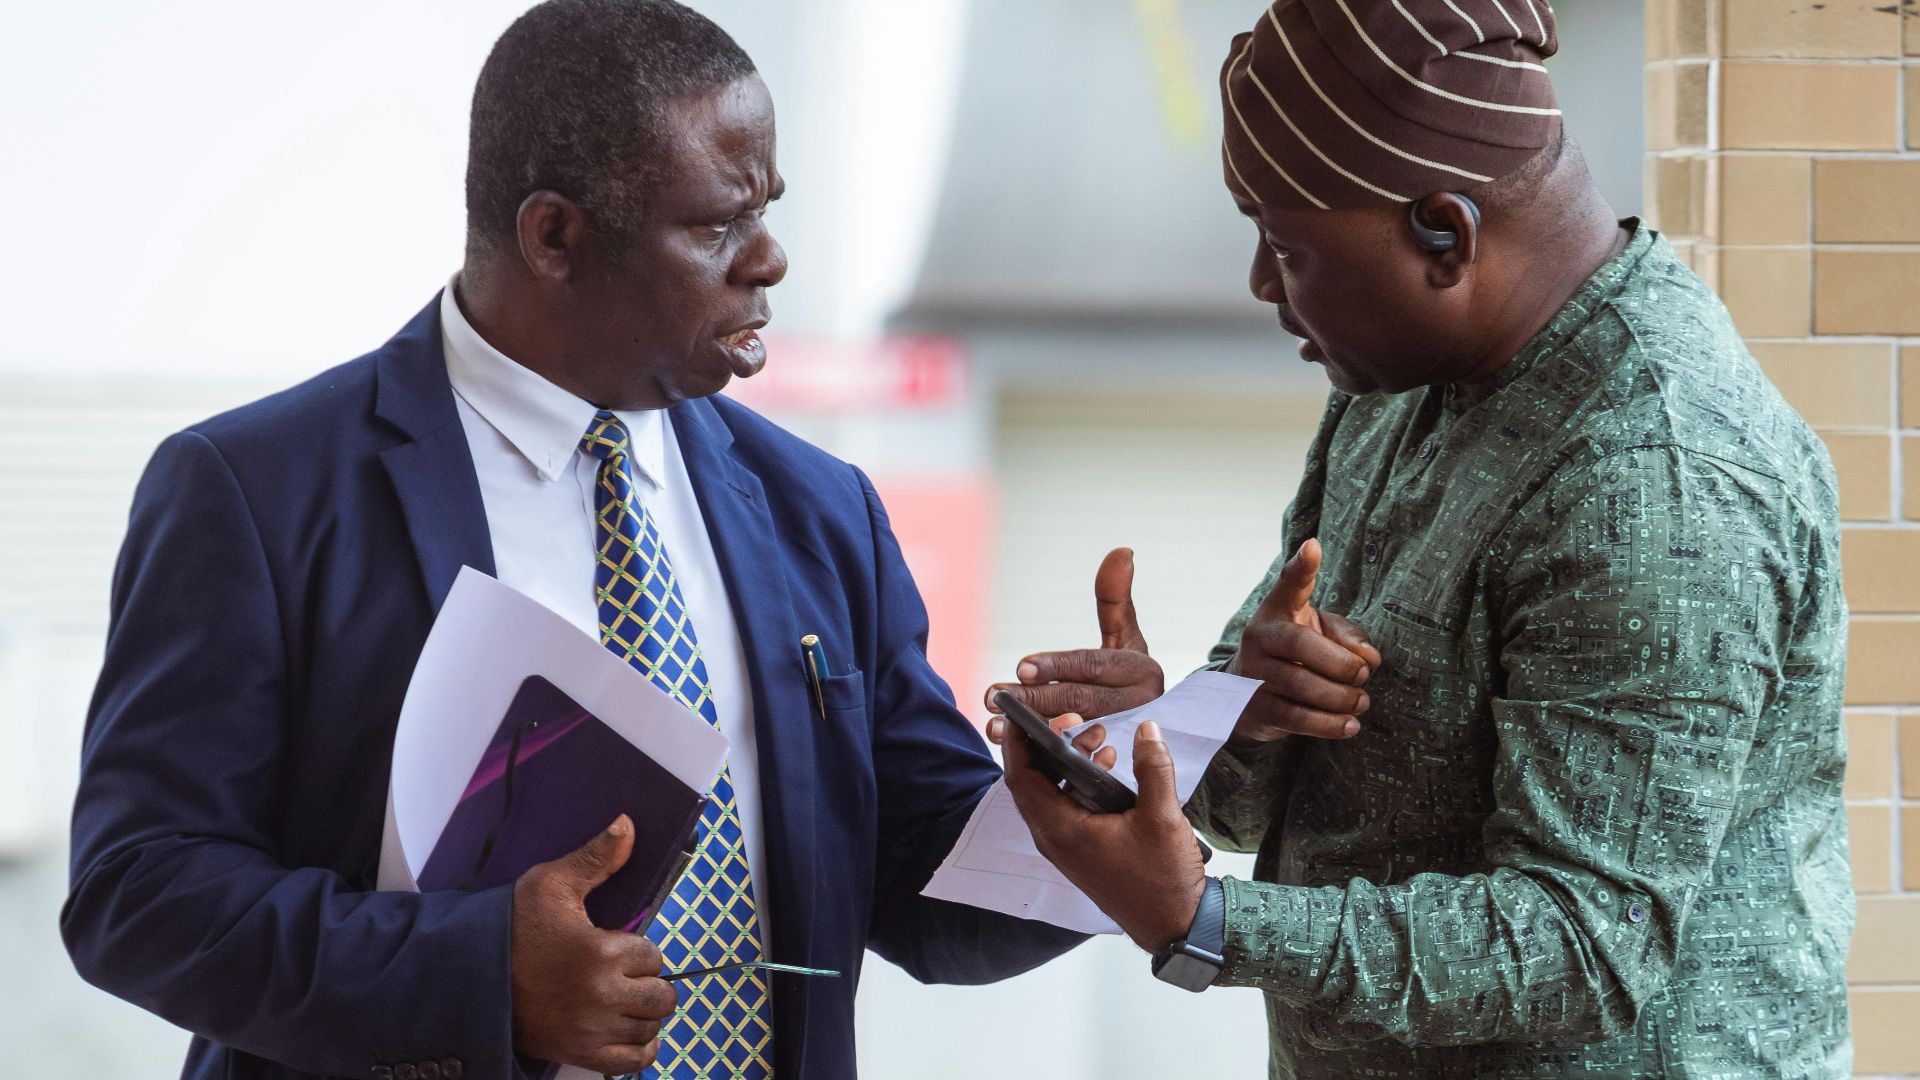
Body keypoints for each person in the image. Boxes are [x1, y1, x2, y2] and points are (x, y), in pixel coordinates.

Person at [61, 3, 1083, 1078]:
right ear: (555, 235)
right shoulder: (257, 489)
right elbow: (139, 891)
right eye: (715, 225)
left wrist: (1082, 828)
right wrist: (474, 976)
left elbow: (921, 881)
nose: (770, 260)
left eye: (768, 210)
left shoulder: (821, 512)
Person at [988, 1, 1852, 1076]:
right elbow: (1262, 809)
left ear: (1444, 233)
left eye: (1287, 245)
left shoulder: (1657, 477)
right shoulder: (1397, 390)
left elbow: (1585, 947)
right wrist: (1214, 725)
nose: (1262, 284)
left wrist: (1203, 921)